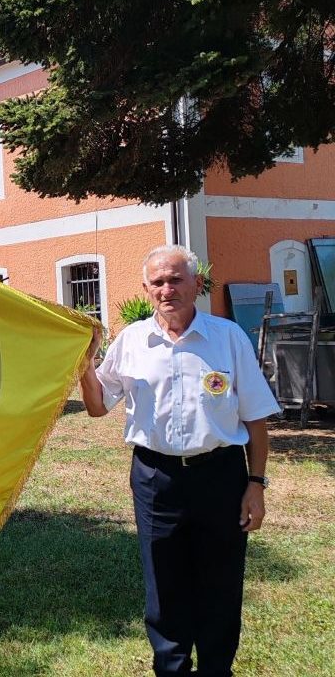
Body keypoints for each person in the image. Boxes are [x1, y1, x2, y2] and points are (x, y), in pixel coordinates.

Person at [79, 245, 279, 677]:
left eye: (176, 279)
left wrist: (256, 484)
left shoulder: (228, 337)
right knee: (164, 589)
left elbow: (256, 418)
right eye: (158, 282)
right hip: (156, 479)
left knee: (221, 585)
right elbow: (98, 407)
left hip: (221, 476)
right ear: (146, 289)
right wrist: (84, 366)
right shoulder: (132, 341)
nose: (167, 289)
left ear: (196, 284)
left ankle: (215, 669)